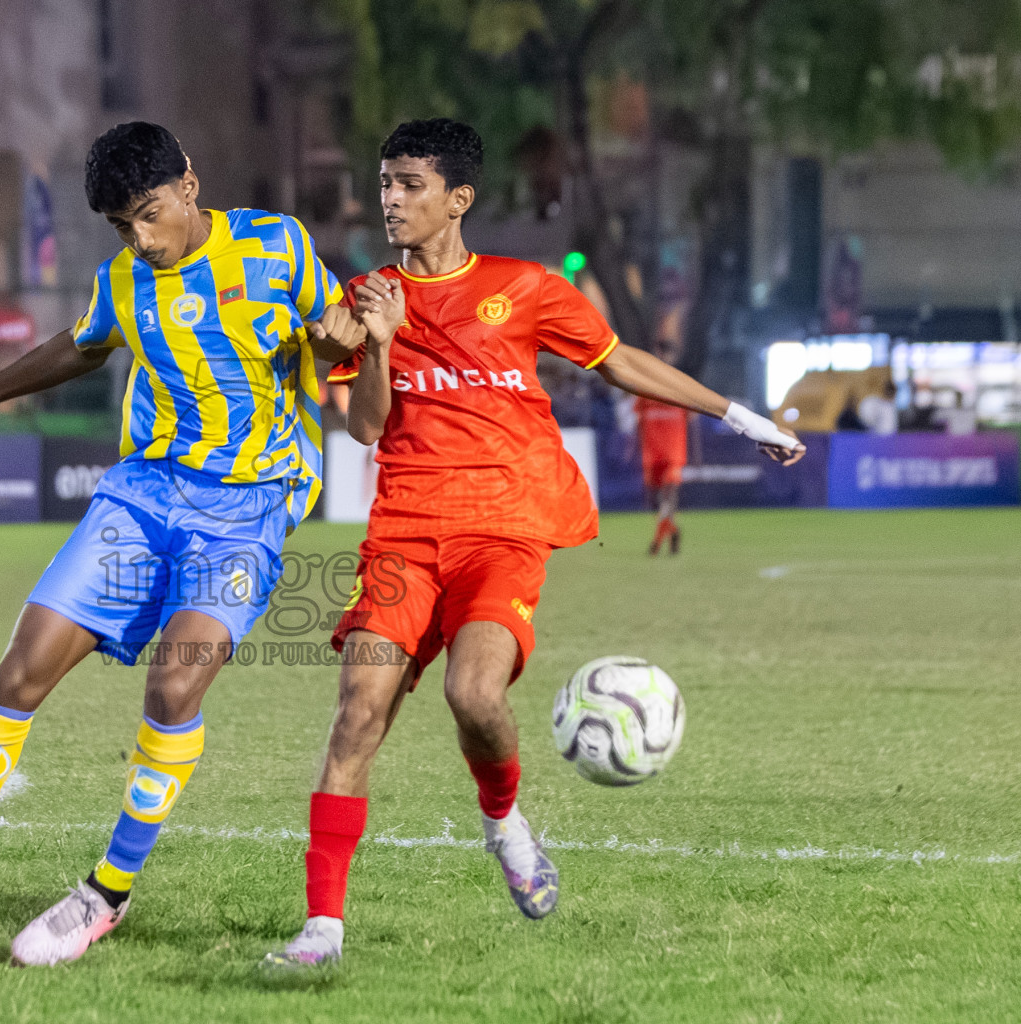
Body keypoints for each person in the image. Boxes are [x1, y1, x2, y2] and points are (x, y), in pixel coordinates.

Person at [264, 119, 805, 969]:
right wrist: (375, 341)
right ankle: (322, 929)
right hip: (403, 535)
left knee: (474, 697)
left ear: (458, 199)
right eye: (384, 183)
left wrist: (742, 418)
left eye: (409, 184)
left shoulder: (525, 288)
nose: (390, 199)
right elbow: (364, 428)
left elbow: (621, 363)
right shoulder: (362, 297)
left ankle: (503, 823)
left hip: (504, 528)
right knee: (355, 717)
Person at [0, 121, 365, 966]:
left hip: (246, 509)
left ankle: (105, 894)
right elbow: (78, 344)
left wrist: (346, 341)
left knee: (174, 691)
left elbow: (331, 333)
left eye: (146, 215)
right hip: (141, 497)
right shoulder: (124, 279)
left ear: (188, 185)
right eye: (119, 227)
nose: (140, 239)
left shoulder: (275, 247)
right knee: (19, 670)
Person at [634, 342, 691, 555]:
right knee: (657, 501)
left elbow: (690, 422)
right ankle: (673, 530)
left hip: (673, 452)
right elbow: (639, 422)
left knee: (669, 496)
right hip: (651, 453)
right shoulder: (644, 389)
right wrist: (632, 450)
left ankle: (657, 541)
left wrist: (694, 453)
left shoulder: (681, 388)